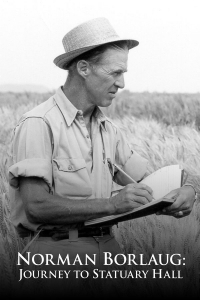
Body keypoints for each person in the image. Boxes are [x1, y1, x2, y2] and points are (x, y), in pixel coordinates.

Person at [8, 17, 196, 297]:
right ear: (84, 68)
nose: (122, 83)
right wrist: (112, 204)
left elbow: (155, 179)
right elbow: (36, 206)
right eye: (115, 72)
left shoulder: (110, 130)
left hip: (109, 255)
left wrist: (186, 190)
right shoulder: (39, 123)